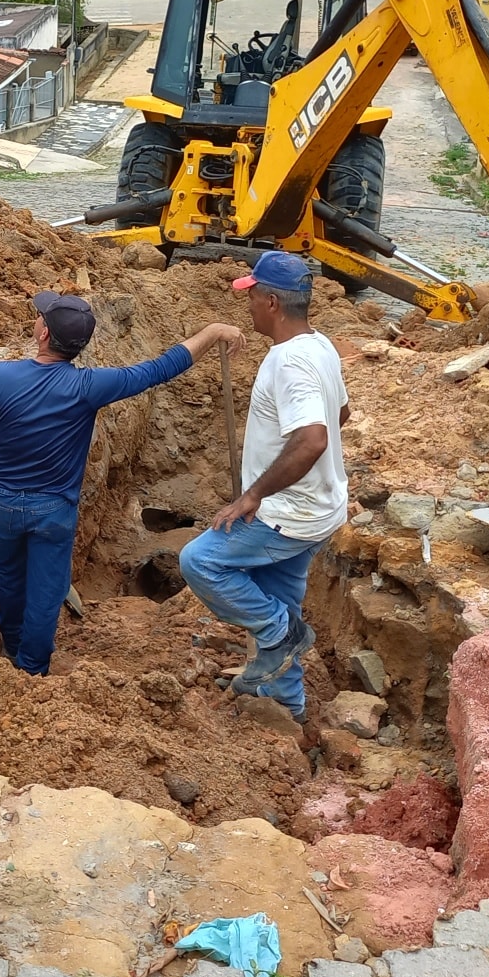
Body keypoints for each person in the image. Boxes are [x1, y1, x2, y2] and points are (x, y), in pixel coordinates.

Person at [0, 294, 242, 676]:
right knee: (46, 590)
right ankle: (32, 668)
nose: (37, 319)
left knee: (9, 573)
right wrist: (210, 332)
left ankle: (11, 646)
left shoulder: (0, 375)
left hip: (2, 500)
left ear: (43, 334)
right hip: (52, 509)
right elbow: (160, 369)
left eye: (40, 317)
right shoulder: (89, 385)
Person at [180, 251, 350, 725]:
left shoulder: (289, 363)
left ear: (272, 301)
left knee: (200, 561)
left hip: (289, 512)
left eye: (252, 296)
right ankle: (286, 707)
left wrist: (253, 495)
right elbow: (340, 417)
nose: (248, 304)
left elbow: (314, 437)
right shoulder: (320, 346)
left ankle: (279, 635)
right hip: (319, 506)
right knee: (281, 597)